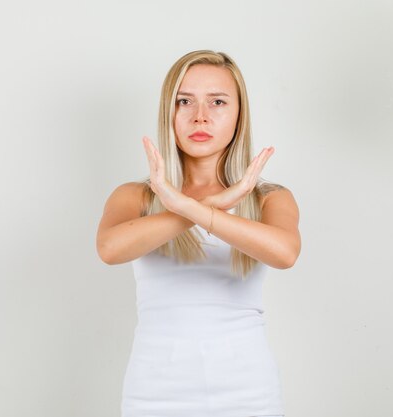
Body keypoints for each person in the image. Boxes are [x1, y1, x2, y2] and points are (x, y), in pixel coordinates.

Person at [96, 50, 301, 417]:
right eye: (184, 101)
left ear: (239, 114)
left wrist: (197, 206)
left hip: (248, 393)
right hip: (154, 393)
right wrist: (209, 205)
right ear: (168, 113)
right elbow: (110, 249)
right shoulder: (136, 196)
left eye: (218, 102)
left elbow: (285, 253)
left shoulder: (270, 199)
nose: (200, 116)